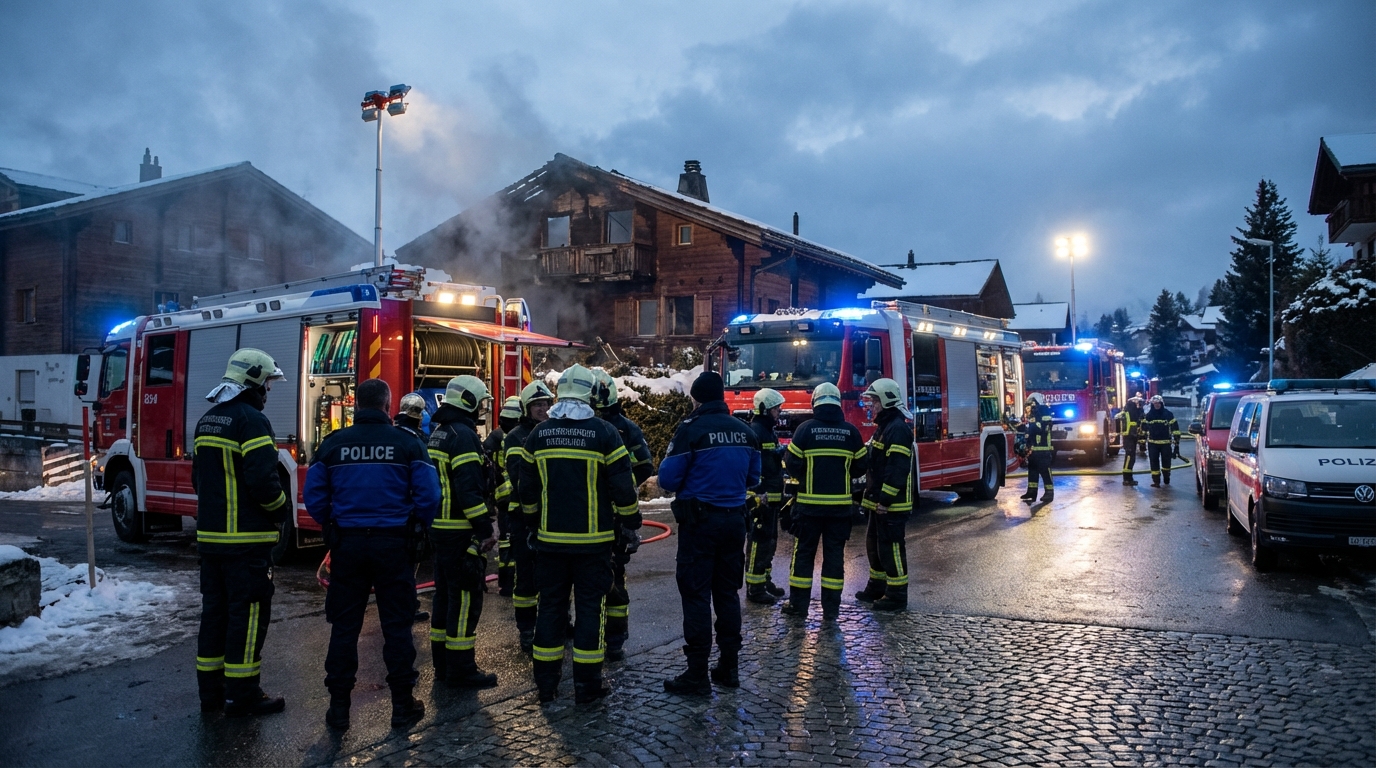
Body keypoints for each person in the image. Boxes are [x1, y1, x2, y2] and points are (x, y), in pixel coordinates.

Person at [305, 378, 441, 731]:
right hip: (393, 546)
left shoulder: (334, 445)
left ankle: (338, 711)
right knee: (397, 627)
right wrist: (416, 527)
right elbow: (429, 497)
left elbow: (314, 497)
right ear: (386, 405)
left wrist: (333, 524)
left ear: (357, 406)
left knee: (344, 628)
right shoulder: (407, 444)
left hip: (347, 547)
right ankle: (402, 706)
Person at [519, 365, 641, 704]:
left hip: (550, 544)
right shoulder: (605, 433)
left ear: (559, 395)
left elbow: (526, 490)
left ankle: (546, 685)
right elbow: (623, 488)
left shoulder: (538, 435)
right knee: (591, 610)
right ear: (591, 394)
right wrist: (632, 523)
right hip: (594, 545)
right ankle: (587, 686)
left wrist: (533, 525)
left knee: (550, 610)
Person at [192, 348, 290, 717]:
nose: (268, 390)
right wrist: (280, 512)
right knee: (247, 619)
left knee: (214, 617)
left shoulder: (207, 420)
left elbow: (198, 481)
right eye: (266, 382)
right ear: (252, 381)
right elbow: (263, 482)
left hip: (212, 543)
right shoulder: (252, 422)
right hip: (246, 544)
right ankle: (244, 695)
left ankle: (211, 696)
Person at [658, 371, 761, 694]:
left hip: (700, 524)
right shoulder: (745, 432)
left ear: (697, 398)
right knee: (727, 595)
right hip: (734, 522)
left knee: (696, 594)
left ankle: (697, 673)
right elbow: (754, 478)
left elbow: (668, 479)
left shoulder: (692, 430)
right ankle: (729, 667)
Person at [426, 375, 500, 689]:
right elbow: (469, 491)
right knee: (466, 599)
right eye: (481, 402)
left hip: (440, 531)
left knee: (444, 598)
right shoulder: (464, 436)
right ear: (468, 401)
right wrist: (484, 530)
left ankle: (443, 666)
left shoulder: (440, 432)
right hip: (461, 531)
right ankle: (462, 669)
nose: (483, 409)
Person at [780, 383, 867, 621]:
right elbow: (861, 465)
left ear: (815, 403)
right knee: (834, 558)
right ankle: (831, 611)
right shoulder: (851, 432)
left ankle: (798, 607)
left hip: (808, 509)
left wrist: (809, 476)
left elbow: (791, 464)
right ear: (838, 403)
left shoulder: (805, 430)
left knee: (804, 556)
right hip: (840, 510)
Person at [590, 369, 654, 662]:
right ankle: (606, 637)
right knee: (610, 576)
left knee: (608, 576)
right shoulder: (621, 427)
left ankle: (610, 638)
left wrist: (621, 488)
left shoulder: (625, 429)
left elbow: (643, 466)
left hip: (609, 513)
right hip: (608, 512)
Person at [503, 380, 555, 654]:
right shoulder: (514, 438)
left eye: (546, 404)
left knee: (551, 575)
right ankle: (526, 629)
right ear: (526, 408)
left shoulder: (552, 432)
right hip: (523, 516)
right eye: (537, 405)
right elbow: (518, 477)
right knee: (525, 577)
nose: (543, 409)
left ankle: (554, 623)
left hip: (550, 516)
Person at [855, 378, 914, 612]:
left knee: (891, 548)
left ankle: (897, 594)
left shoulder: (897, 429)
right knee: (875, 546)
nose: (871, 406)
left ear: (887, 401)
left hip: (891, 505)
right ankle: (877, 586)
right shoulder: (884, 427)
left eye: (875, 401)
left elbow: (897, 469)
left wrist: (885, 500)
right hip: (877, 501)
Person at [744, 388, 787, 605]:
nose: (779, 411)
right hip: (762, 498)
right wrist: (758, 495)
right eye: (775, 408)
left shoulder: (767, 430)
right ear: (764, 409)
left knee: (769, 542)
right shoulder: (756, 432)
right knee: (759, 542)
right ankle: (755, 588)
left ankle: (764, 580)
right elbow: (753, 468)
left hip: (771, 497)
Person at [489, 396, 522, 596]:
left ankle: (505, 583)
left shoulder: (495, 436)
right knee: (515, 541)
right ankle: (514, 581)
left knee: (505, 541)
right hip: (515, 497)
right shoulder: (519, 436)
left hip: (502, 499)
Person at [1019, 392, 1055, 503]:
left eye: (1032, 405)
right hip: (1034, 450)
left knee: (1045, 471)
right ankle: (1031, 492)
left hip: (1043, 449)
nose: (1029, 408)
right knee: (1033, 471)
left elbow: (1042, 428)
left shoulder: (1044, 412)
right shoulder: (1033, 416)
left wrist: (1031, 427)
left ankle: (1049, 493)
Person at [1142, 395, 1181, 487]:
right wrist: (1142, 442)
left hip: (1166, 443)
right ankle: (1156, 481)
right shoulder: (1148, 415)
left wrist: (1176, 442)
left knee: (1166, 462)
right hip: (1152, 444)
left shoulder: (1168, 414)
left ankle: (1166, 477)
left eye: (1158, 403)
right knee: (1154, 462)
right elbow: (1143, 429)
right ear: (1152, 404)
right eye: (1154, 404)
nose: (1157, 405)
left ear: (1161, 403)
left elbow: (1175, 428)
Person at [1115, 396, 1145, 486]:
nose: (1140, 405)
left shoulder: (1133, 412)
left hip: (1132, 436)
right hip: (1129, 437)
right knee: (1129, 457)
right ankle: (1126, 478)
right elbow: (1117, 418)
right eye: (1138, 403)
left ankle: (1129, 478)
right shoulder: (1129, 413)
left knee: (1131, 457)